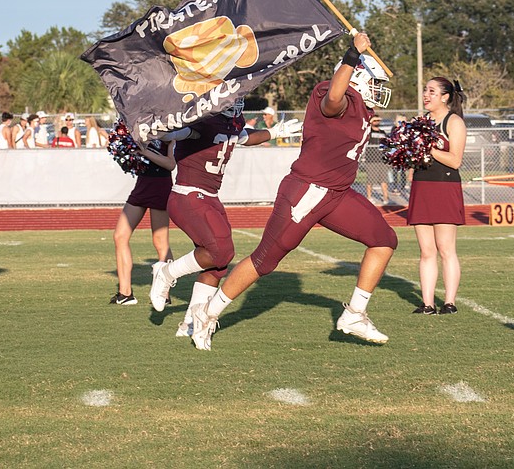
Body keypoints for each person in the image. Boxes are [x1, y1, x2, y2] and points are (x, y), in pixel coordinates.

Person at [184, 33, 398, 351]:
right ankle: (208, 313)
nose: (378, 92)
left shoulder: (364, 110)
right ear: (358, 76)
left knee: (384, 240)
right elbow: (334, 97)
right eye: (374, 82)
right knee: (265, 260)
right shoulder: (334, 93)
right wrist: (353, 55)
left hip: (338, 193)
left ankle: (354, 314)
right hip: (308, 192)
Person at [148, 96, 303, 338]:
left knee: (218, 266)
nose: (236, 102)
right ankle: (166, 272)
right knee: (222, 252)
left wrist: (274, 132)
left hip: (209, 197)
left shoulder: (232, 121)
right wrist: (162, 130)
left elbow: (245, 137)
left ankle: (190, 323)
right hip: (188, 196)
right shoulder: (203, 119)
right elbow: (178, 134)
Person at [407, 78, 468, 316]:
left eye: (431, 91)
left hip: (444, 186)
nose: (426, 94)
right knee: (426, 251)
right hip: (422, 186)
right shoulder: (421, 122)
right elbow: (413, 157)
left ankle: (449, 302)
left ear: (444, 97)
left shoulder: (454, 122)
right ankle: (427, 304)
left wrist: (427, 148)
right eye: (425, 90)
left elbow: (455, 160)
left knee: (445, 248)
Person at [111, 139, 175, 305]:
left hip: (161, 185)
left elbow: (170, 164)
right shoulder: (139, 129)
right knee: (120, 236)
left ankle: (164, 293)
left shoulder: (169, 129)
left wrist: (145, 152)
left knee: (160, 242)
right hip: (142, 183)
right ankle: (125, 294)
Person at [363, 115, 389, 205]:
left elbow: (387, 144)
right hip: (371, 160)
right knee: (370, 180)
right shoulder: (369, 131)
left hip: (381, 160)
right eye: (375, 120)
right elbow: (366, 129)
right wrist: (371, 121)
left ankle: (386, 198)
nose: (377, 122)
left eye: (378, 120)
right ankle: (369, 197)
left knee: (384, 181)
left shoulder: (382, 132)